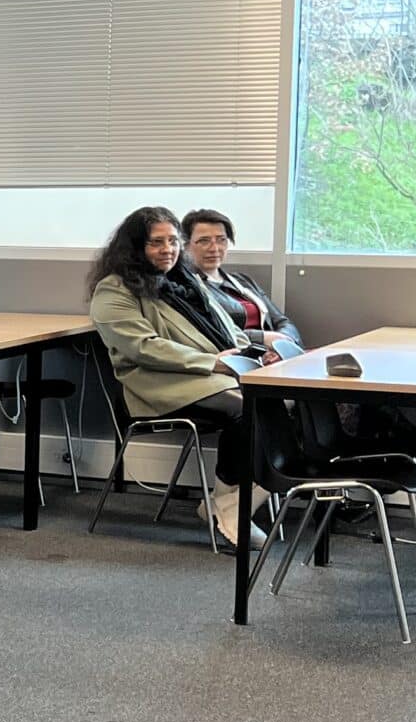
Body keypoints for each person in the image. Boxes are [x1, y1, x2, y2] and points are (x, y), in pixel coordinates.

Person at [87, 206, 265, 550]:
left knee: (286, 404)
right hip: (157, 385)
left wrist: (249, 354)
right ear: (135, 247)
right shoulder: (114, 290)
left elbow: (225, 329)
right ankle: (229, 506)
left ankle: (229, 502)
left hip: (211, 375)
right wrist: (213, 364)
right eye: (156, 242)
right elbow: (143, 347)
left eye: (172, 241)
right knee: (247, 410)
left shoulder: (184, 280)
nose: (167, 249)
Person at [181, 208, 303, 357]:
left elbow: (282, 321)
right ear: (186, 245)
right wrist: (262, 338)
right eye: (204, 241)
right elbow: (209, 332)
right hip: (240, 357)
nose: (214, 248)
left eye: (221, 240)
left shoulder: (242, 281)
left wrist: (283, 343)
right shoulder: (186, 288)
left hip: (274, 352)